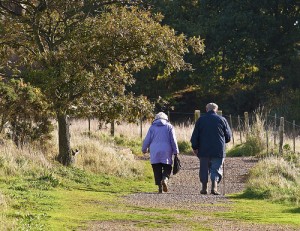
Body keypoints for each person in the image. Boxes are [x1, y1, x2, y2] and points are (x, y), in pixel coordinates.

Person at [190, 103, 232, 195]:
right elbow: (228, 137)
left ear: (206, 109)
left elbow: (195, 136)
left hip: (203, 149)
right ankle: (214, 187)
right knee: (216, 168)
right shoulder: (222, 119)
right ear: (216, 110)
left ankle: (204, 188)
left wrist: (195, 147)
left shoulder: (201, 120)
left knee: (204, 168)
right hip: (218, 149)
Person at [142, 112, 179, 193]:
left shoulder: (152, 127)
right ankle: (165, 179)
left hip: (154, 150)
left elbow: (147, 139)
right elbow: (173, 140)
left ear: (156, 119)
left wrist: (144, 149)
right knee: (167, 167)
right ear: (166, 118)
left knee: (156, 168)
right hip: (166, 150)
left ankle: (159, 188)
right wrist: (176, 151)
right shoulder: (169, 127)